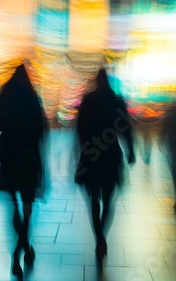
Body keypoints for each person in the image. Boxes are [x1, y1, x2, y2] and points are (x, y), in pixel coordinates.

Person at [75, 68, 135, 265]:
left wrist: (82, 150)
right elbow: (125, 127)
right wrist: (130, 150)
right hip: (110, 154)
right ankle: (102, 238)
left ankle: (98, 237)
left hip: (91, 155)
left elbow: (79, 128)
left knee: (93, 199)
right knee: (109, 199)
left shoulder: (88, 100)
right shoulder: (116, 100)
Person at [0, 64, 48, 278]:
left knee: (14, 205)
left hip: (9, 156)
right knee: (27, 206)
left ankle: (22, 247)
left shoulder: (4, 96)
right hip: (29, 158)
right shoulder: (33, 97)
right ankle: (21, 249)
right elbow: (41, 129)